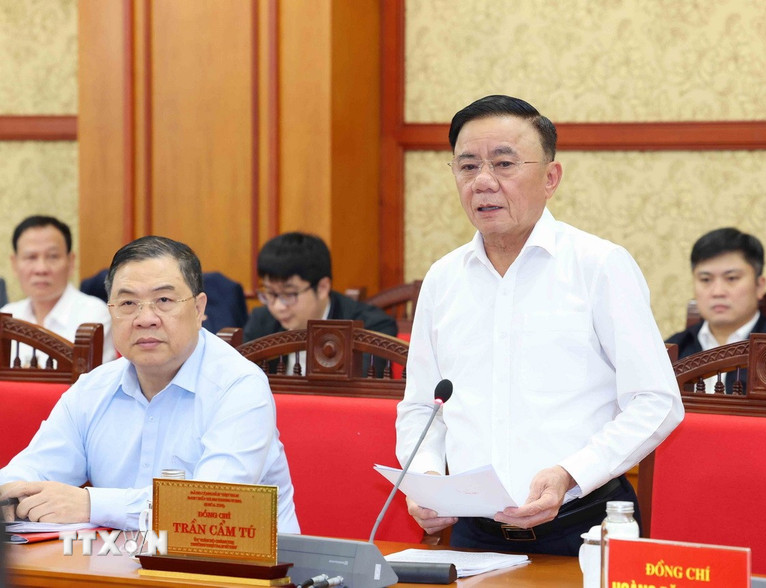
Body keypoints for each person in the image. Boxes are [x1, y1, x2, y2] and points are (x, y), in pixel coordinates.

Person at [395, 95, 683, 556]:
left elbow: (656, 402)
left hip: (584, 529)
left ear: (551, 178)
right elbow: (421, 407)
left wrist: (571, 473)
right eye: (467, 166)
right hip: (473, 536)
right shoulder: (443, 279)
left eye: (504, 164)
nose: (483, 182)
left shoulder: (599, 266)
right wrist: (426, 476)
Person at [0, 236, 299, 533]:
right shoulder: (92, 390)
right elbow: (33, 469)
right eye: (128, 303)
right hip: (118, 559)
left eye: (164, 301)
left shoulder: (240, 386)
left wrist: (91, 504)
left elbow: (212, 505)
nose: (145, 319)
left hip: (236, 560)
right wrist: (11, 492)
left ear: (198, 309)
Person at [244, 232, 397, 373]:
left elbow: (360, 388)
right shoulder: (261, 321)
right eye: (271, 293)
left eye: (289, 294)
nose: (278, 306)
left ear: (322, 287)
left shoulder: (371, 327)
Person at [666, 227, 766, 358]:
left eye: (731, 278)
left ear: (759, 286)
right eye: (706, 279)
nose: (717, 292)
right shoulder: (672, 351)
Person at [2, 216, 116, 362]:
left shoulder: (93, 316)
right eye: (31, 257)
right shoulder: (8, 315)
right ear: (14, 264)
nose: (41, 269)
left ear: (71, 262)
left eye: (53, 256)